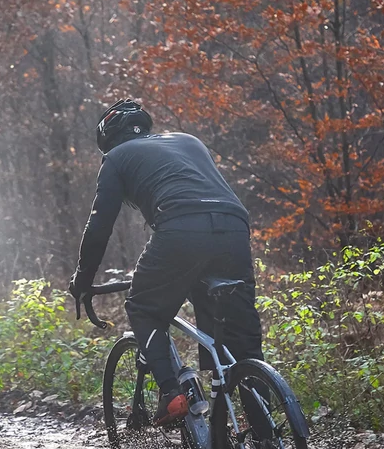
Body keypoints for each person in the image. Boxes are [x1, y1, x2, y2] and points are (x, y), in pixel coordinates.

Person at [68, 99, 264, 426]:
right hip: (234, 228)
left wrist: (83, 279)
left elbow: (99, 226)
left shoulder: (116, 158)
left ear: (108, 142)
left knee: (144, 307)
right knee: (241, 347)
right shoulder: (188, 141)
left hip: (181, 228)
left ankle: (173, 394)